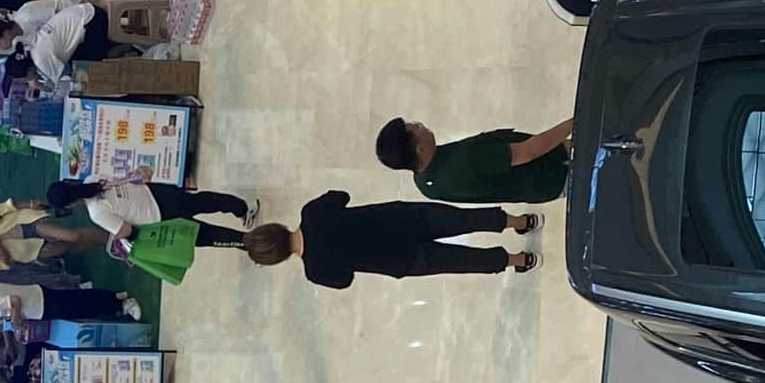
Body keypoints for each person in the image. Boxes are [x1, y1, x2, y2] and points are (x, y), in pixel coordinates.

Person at [243, 190, 542, 286]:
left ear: (278, 259)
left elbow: (345, 280)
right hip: (402, 219)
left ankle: (519, 259)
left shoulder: (316, 271)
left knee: (461, 261)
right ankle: (521, 221)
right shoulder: (311, 213)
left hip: (402, 260)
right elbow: (341, 196)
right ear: (274, 227)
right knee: (462, 220)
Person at [376, 116, 575, 205]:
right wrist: (576, 122)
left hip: (543, 189)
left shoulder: (425, 184)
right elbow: (529, 151)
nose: (420, 125)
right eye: (415, 127)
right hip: (557, 167)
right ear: (419, 149)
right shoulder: (469, 158)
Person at [48, 177, 257, 246]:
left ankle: (253, 243)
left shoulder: (97, 212)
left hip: (159, 218)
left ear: (69, 205)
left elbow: (126, 230)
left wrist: (119, 238)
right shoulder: (93, 177)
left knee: (205, 235)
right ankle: (243, 208)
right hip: (157, 192)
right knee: (202, 201)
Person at [0, 1, 128, 84]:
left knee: (91, 67)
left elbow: (65, 82)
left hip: (86, 17)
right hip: (76, 22)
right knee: (76, 60)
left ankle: (128, 49)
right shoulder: (20, 42)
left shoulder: (28, 17)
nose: (1, 47)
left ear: (5, 33)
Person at [0, 279, 141, 323]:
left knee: (82, 307)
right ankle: (114, 296)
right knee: (79, 297)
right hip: (36, 293)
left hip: (39, 306)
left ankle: (122, 305)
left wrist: (16, 318)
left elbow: (14, 300)